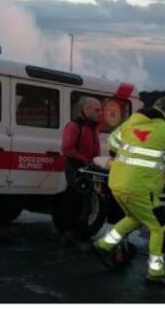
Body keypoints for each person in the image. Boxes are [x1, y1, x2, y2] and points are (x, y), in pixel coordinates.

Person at [93, 95, 165, 287]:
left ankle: (105, 245)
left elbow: (111, 143)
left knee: (136, 218)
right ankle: (156, 273)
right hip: (140, 187)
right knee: (160, 226)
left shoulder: (131, 122)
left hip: (117, 181)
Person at [59, 96, 102, 243]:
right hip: (75, 168)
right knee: (78, 203)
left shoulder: (92, 127)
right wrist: (85, 160)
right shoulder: (75, 126)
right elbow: (66, 148)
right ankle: (73, 235)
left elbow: (95, 149)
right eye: (97, 110)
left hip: (87, 169)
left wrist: (96, 162)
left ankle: (77, 235)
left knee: (85, 204)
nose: (99, 113)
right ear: (87, 109)